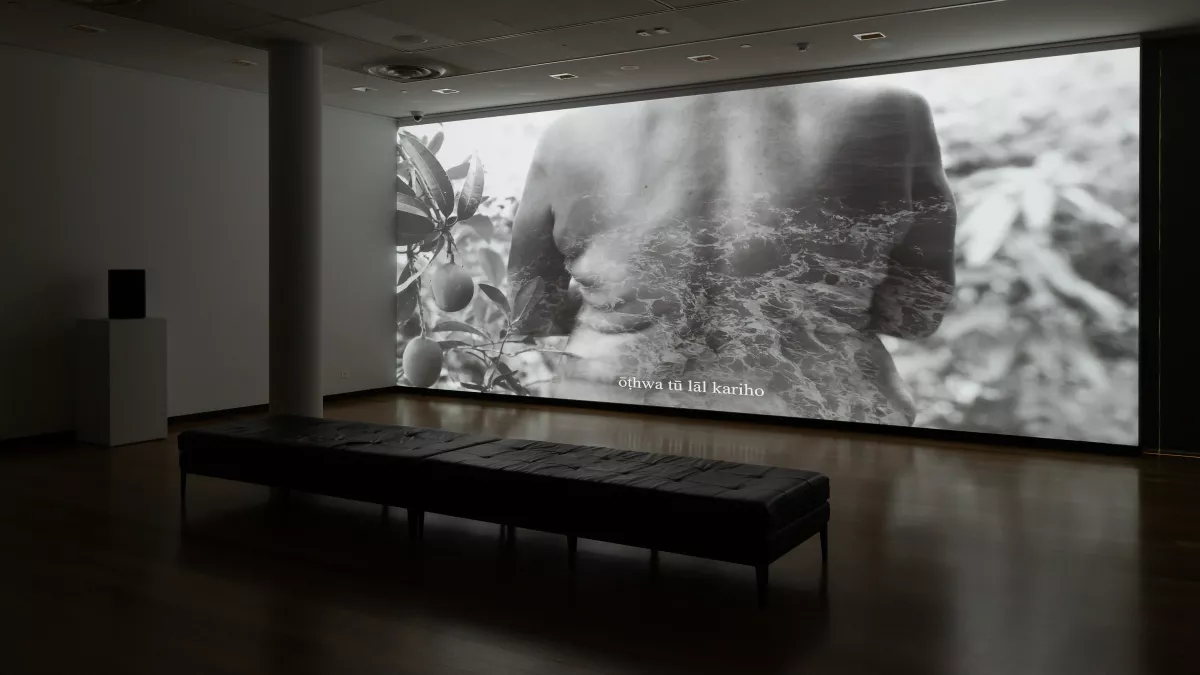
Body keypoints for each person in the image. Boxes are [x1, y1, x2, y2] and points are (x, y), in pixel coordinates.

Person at [507, 81, 957, 425]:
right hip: (822, 429)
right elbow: (917, 312)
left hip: (611, 427)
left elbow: (530, 314)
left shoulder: (569, 132)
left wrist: (624, 301)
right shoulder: (892, 108)